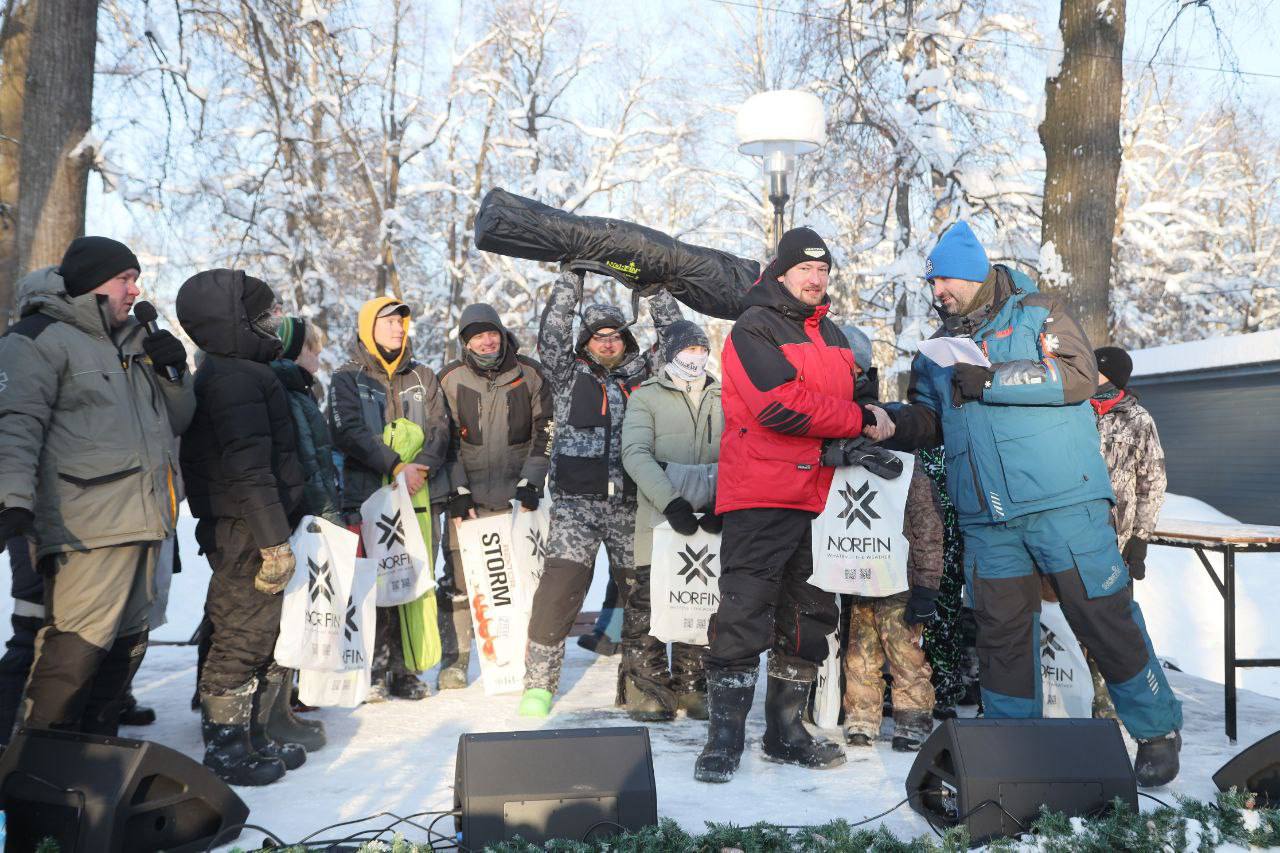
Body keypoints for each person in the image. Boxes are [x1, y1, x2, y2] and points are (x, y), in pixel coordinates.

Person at [874, 221, 1183, 787]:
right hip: (989, 519)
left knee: (1101, 616)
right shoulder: (935, 353)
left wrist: (991, 379)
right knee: (1001, 633)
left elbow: (1078, 375)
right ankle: (1012, 744)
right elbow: (931, 419)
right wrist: (887, 422)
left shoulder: (1039, 312)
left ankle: (1157, 730)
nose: (936, 291)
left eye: (942, 280)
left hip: (1063, 506)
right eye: (932, 283)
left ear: (971, 273)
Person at [694, 227, 888, 783]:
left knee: (811, 613)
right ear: (779, 273)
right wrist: (858, 420)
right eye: (805, 269)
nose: (815, 278)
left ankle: (786, 730)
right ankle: (723, 736)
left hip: (821, 493)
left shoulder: (830, 333)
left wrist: (868, 403)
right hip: (762, 491)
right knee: (743, 610)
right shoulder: (754, 328)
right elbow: (779, 407)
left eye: (823, 270)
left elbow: (851, 395)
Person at [0, 238, 194, 736]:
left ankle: (92, 758)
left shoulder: (135, 341)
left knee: (126, 650)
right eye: (124, 279)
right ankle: (36, 774)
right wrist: (12, 500)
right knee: (74, 652)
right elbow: (14, 424)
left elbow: (180, 418)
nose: (134, 290)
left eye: (135, 279)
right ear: (91, 283)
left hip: (146, 521)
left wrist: (174, 372)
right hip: (86, 527)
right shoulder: (37, 338)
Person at [519, 269, 682, 718]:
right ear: (585, 341)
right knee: (558, 591)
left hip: (634, 504)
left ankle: (641, 685)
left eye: (614, 335)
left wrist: (653, 291)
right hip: (577, 508)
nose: (607, 343)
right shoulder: (567, 375)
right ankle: (538, 685)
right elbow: (551, 330)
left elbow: (677, 338)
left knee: (642, 595)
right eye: (597, 336)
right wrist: (572, 278)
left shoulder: (647, 374)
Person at [177, 268, 307, 786]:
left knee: (261, 633)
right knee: (240, 635)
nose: (275, 322)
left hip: (254, 525)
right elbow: (248, 466)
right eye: (264, 314)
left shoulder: (244, 372)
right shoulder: (233, 380)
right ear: (235, 322)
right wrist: (273, 540)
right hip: (245, 531)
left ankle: (252, 732)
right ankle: (227, 748)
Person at [329, 297, 450, 702]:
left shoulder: (424, 376)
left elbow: (440, 430)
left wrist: (421, 468)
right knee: (373, 583)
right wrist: (396, 464)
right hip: (367, 495)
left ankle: (405, 669)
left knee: (411, 579)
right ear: (369, 327)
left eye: (402, 322)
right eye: (389, 321)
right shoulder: (346, 378)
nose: (399, 328)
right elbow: (347, 432)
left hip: (417, 495)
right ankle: (375, 668)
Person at [437, 304, 551, 690]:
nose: (487, 341)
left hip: (519, 498)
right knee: (461, 578)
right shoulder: (449, 379)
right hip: (469, 499)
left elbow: (545, 431)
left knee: (522, 579)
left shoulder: (530, 374)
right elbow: (445, 439)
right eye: (477, 335)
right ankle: (457, 658)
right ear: (465, 342)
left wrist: (532, 481)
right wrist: (456, 490)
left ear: (502, 334)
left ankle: (524, 655)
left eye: (492, 333)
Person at [620, 319, 723, 722]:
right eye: (688, 350)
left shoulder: (723, 396)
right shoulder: (646, 397)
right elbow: (635, 453)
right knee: (649, 602)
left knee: (697, 600)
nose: (696, 358)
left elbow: (738, 453)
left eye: (702, 350)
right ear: (670, 353)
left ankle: (692, 683)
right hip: (661, 519)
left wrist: (725, 502)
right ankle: (648, 686)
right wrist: (671, 501)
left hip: (710, 523)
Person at [264, 316, 338, 750]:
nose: (317, 357)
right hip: (297, 517)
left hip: (302, 514)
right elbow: (309, 464)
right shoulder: (289, 394)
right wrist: (324, 513)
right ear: (294, 352)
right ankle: (275, 707)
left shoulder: (299, 391)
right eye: (312, 349)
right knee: (285, 614)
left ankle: (285, 701)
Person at [841, 456, 944, 752]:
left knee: (905, 654)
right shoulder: (857, 473)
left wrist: (927, 586)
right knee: (861, 653)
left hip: (902, 581)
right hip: (864, 580)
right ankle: (861, 716)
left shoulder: (913, 478)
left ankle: (913, 719)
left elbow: (929, 533)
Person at [1086, 345, 1167, 719]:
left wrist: (1140, 540)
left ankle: (1108, 705)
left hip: (1115, 544)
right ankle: (1072, 696)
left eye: (1095, 369)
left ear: (1112, 376)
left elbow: (1153, 481)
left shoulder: (1138, 419)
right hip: (1071, 537)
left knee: (1113, 629)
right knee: (1073, 624)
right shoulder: (1072, 410)